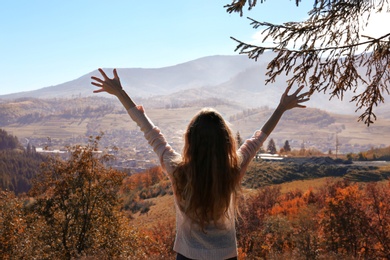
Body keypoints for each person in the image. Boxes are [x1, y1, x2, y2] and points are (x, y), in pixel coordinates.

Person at [91, 68, 310, 260]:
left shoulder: (177, 170)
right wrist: (281, 107)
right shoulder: (232, 170)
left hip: (188, 255)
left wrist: (120, 93)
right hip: (226, 255)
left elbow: (151, 133)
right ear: (226, 141)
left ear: (190, 139)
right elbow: (258, 139)